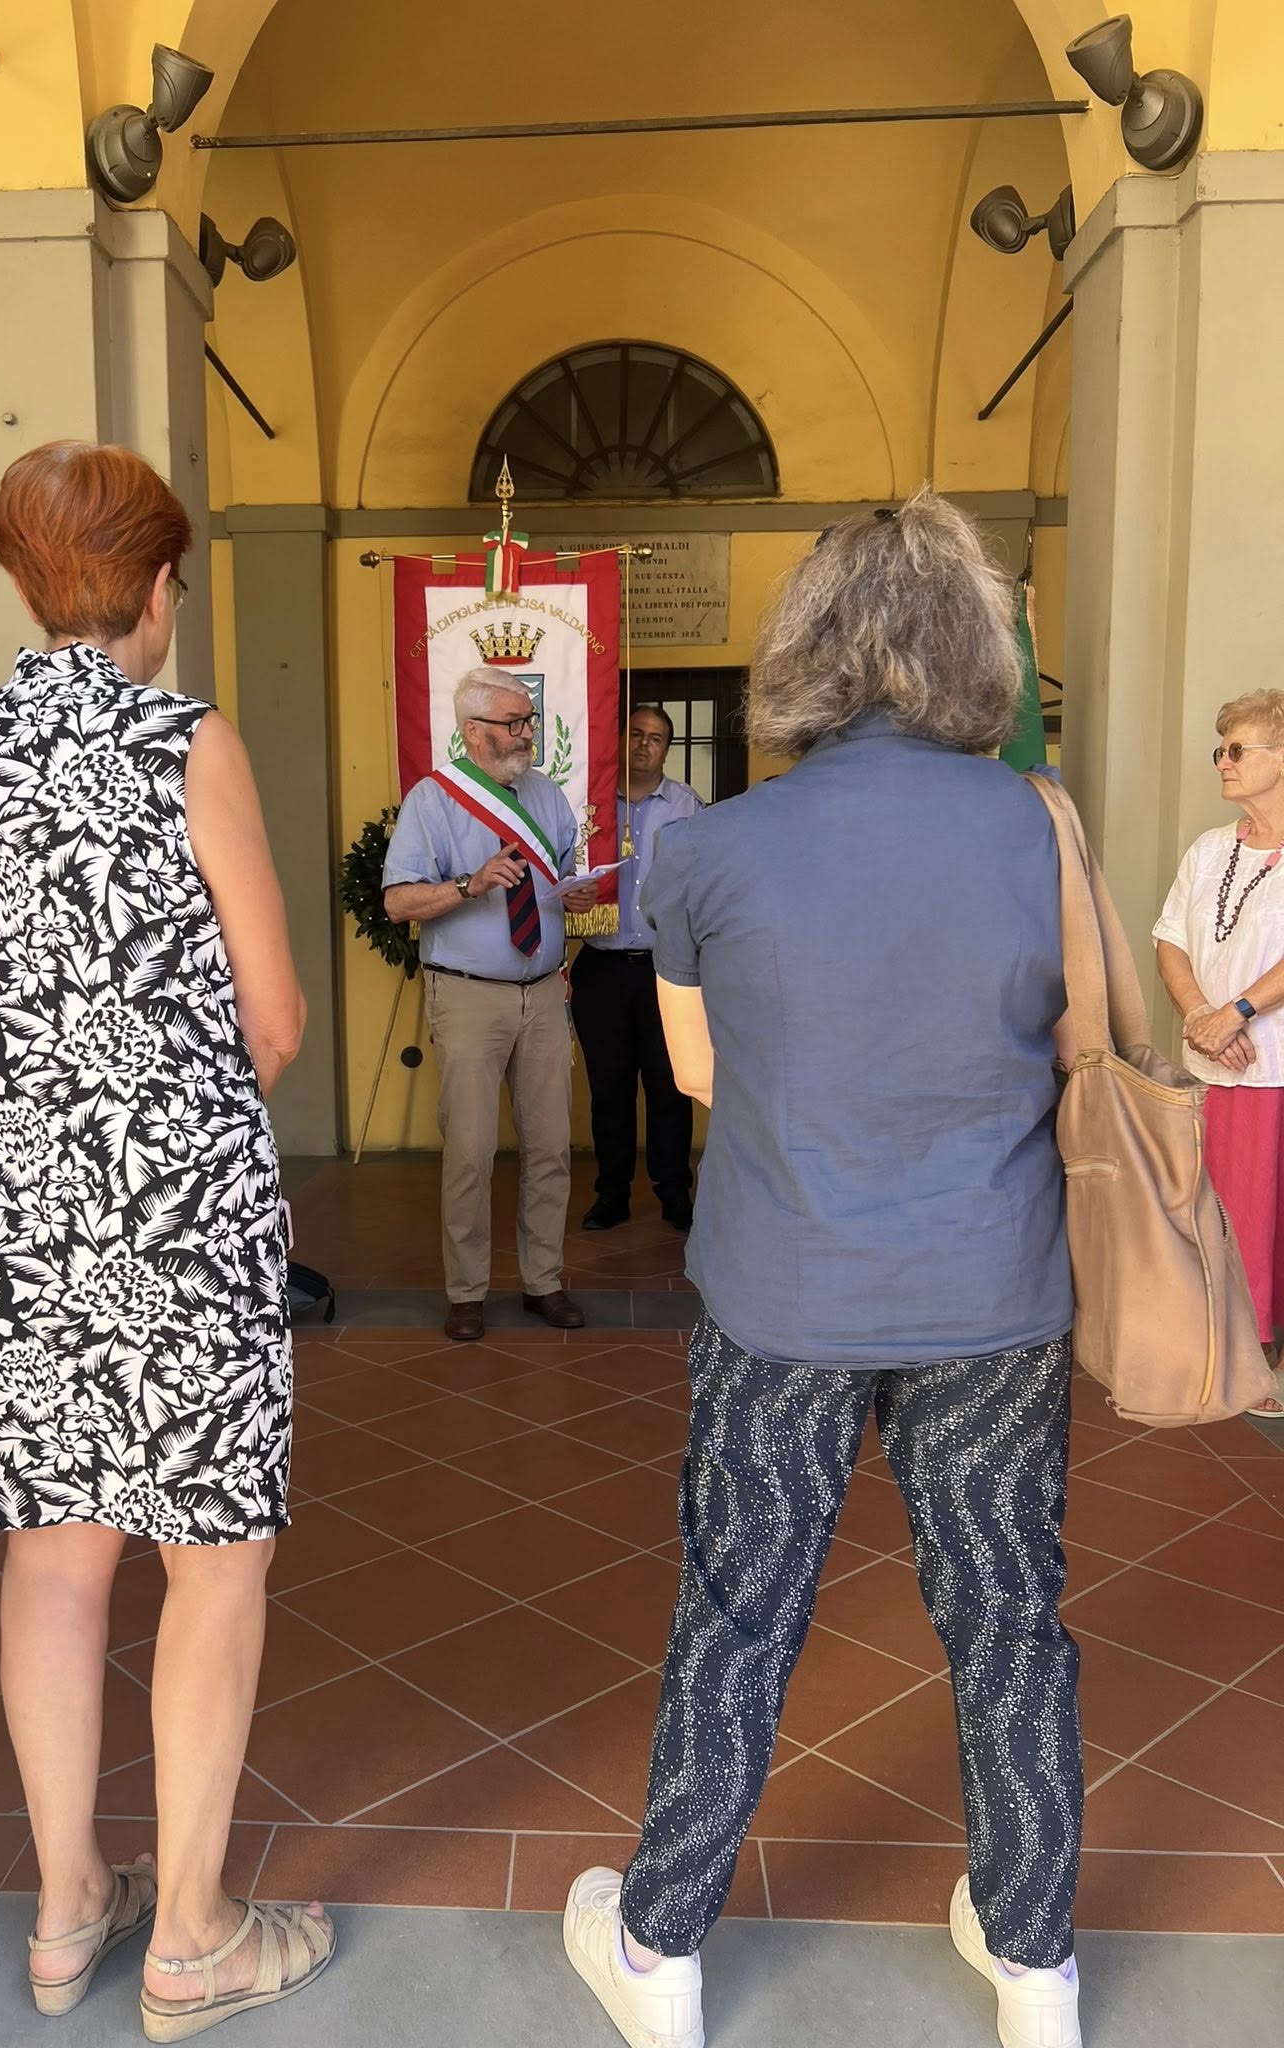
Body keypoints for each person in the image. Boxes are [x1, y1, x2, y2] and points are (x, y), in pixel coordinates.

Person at [564, 491, 1085, 2048]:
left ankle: (661, 1951)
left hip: (784, 1291)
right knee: (1008, 1616)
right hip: (993, 1291)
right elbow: (1085, 1036)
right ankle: (1035, 1963)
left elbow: (700, 1074)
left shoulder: (707, 848)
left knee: (741, 1609)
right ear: (970, 647)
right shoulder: (1038, 821)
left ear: (805, 649)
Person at [0, 441, 333, 2041]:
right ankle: (196, 1936)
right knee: (212, 1561)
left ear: (32, 584)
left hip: (12, 1221)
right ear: (158, 586)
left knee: (53, 1554)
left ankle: (67, 1905)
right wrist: (175, 1111)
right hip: (175, 1219)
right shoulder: (183, 740)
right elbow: (273, 1015)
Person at [383, 666, 596, 1342]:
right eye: (513, 722)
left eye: (528, 720)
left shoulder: (547, 795)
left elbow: (563, 876)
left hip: (544, 992)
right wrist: (467, 886)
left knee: (551, 1147)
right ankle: (467, 1292)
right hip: (469, 996)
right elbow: (397, 902)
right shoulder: (432, 800)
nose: (526, 733)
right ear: (473, 730)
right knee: (471, 1153)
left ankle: (544, 1281)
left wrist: (577, 893)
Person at [1154, 689, 1284, 1417]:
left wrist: (1238, 1012)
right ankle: (1223, 1344)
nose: (1223, 762)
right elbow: (1170, 938)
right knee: (1216, 1208)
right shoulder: (1209, 849)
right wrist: (1203, 1016)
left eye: (1238, 749)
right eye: (1220, 749)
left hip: (1275, 1064)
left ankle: (1265, 1353)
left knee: (1271, 1214)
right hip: (1214, 1064)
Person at [570, 704, 703, 1232]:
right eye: (637, 734)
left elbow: (705, 881)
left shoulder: (688, 807)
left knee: (670, 1086)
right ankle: (612, 1193)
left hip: (665, 970)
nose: (645, 744)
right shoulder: (591, 806)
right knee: (610, 1089)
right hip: (601, 969)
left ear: (667, 749)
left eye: (657, 738)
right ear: (621, 739)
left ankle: (674, 1193)